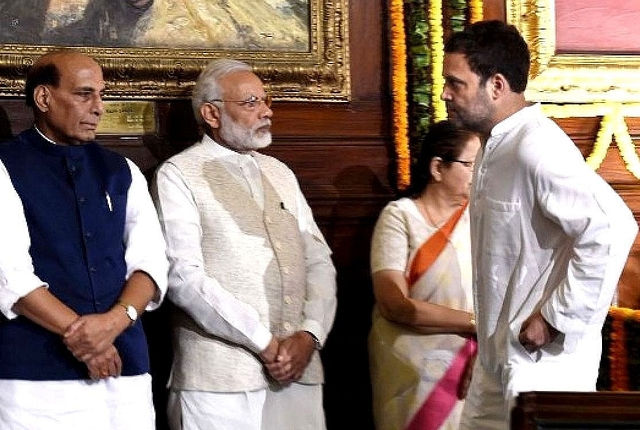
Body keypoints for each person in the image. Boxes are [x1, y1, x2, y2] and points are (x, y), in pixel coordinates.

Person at [440, 20, 639, 429]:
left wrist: (554, 318)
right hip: (498, 359)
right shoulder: (496, 145)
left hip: (539, 364)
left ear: (496, 86)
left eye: (455, 83)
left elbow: (613, 227)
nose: (445, 94)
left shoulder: (536, 146)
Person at [151, 58, 337, 430]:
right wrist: (265, 343)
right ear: (212, 114)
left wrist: (310, 333)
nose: (266, 111)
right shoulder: (178, 174)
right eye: (251, 103)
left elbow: (319, 259)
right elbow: (183, 277)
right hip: (218, 381)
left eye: (266, 101)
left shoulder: (279, 171)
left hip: (298, 371)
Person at [0, 50, 168, 429]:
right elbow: (9, 275)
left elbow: (151, 263)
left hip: (125, 371)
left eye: (101, 95)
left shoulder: (121, 170)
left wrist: (114, 323)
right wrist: (87, 338)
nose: (98, 107)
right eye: (84, 94)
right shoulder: (5, 165)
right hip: (34, 376)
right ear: (44, 98)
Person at [368, 120, 479, 430]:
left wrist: (486, 342)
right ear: (437, 168)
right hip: (410, 365)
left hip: (475, 362)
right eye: (472, 164)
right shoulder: (400, 216)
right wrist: (478, 324)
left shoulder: (482, 218)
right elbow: (395, 305)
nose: (480, 173)